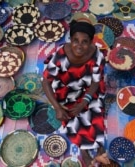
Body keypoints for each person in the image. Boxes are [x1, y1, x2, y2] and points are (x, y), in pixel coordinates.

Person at [42, 20, 110, 166]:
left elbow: (96, 82)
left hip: (87, 88)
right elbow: (45, 82)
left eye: (85, 42)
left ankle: (98, 145)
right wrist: (57, 108)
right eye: (75, 41)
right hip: (66, 88)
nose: (79, 46)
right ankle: (84, 149)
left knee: (95, 109)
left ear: (91, 42)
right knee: (70, 115)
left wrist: (84, 101)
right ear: (70, 40)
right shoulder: (60, 56)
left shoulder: (97, 56)